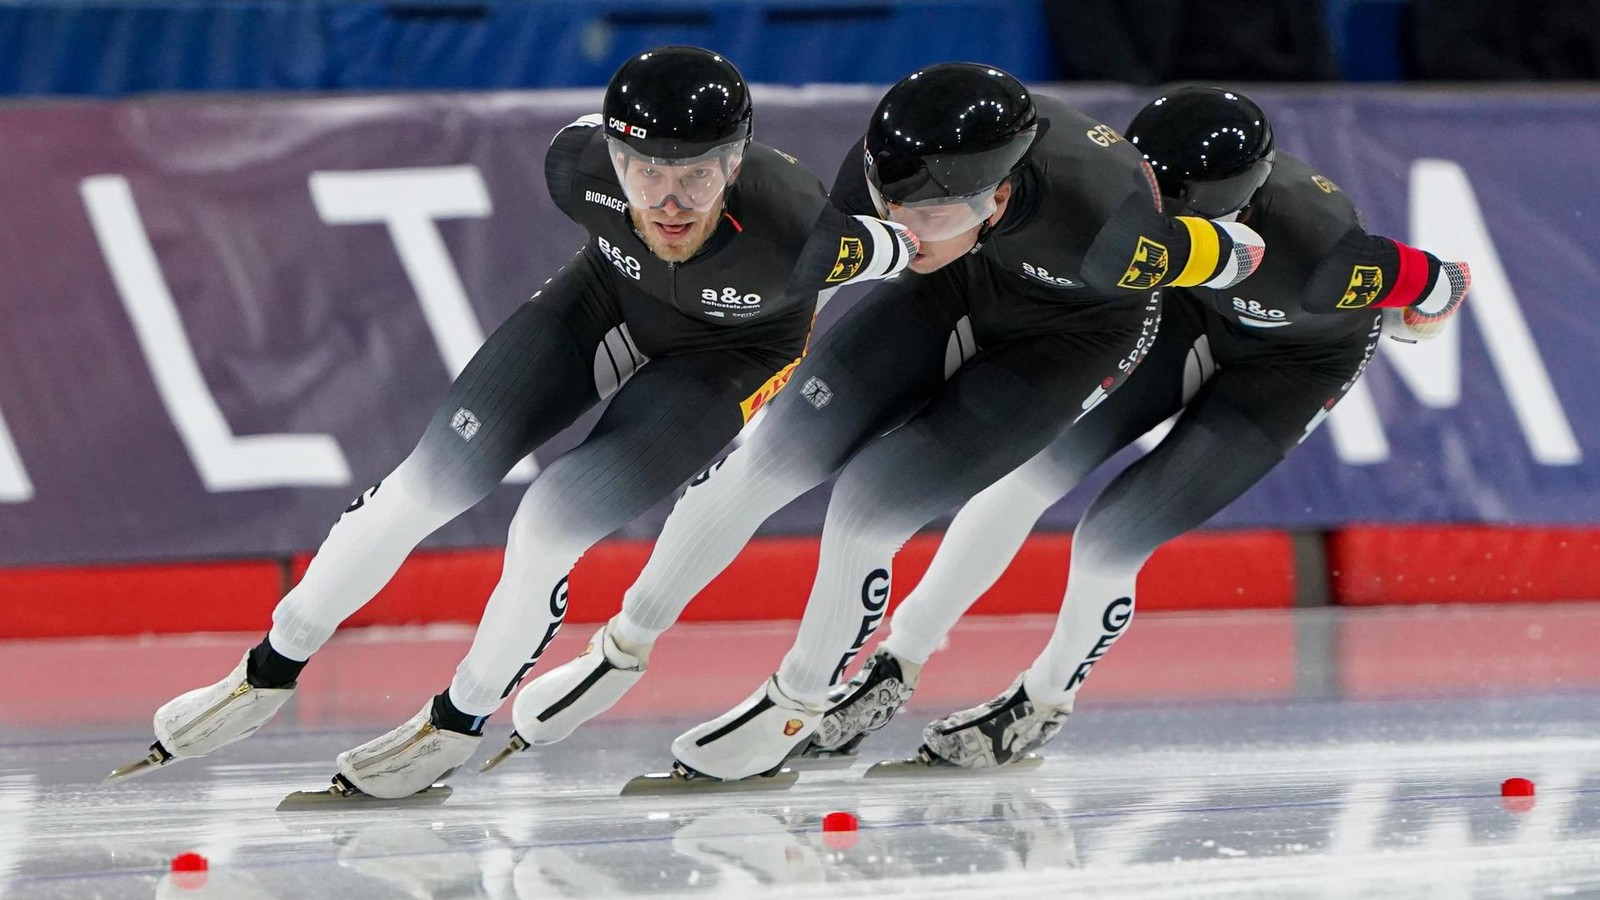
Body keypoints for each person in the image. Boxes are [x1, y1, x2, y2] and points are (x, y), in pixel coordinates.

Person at [108, 46, 921, 800]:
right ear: (613, 158)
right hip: (606, 303)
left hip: (728, 360)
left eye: (698, 177)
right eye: (643, 171)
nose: (668, 201)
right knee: (426, 482)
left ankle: (458, 720)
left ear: (735, 164)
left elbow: (911, 245)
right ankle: (267, 669)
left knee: (546, 526)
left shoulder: (807, 235)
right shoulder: (575, 165)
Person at [489, 65, 1267, 784]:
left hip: (1070, 342)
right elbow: (804, 287)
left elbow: (1243, 253)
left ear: (997, 199)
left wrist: (1288, 263)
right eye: (894, 210)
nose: (908, 231)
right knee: (771, 453)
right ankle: (623, 645)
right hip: (954, 288)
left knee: (868, 504)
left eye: (931, 213)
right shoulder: (887, 172)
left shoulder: (1113, 233)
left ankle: (800, 698)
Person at [807, 86, 1473, 768]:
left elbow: (1445, 280)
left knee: (1114, 534)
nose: (1147, 222)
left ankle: (1045, 697)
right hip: (1182, 316)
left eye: (1172, 215)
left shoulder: (1324, 255)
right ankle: (895, 663)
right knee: (1021, 477)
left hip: (1291, 366)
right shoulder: (1126, 202)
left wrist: (1420, 318)